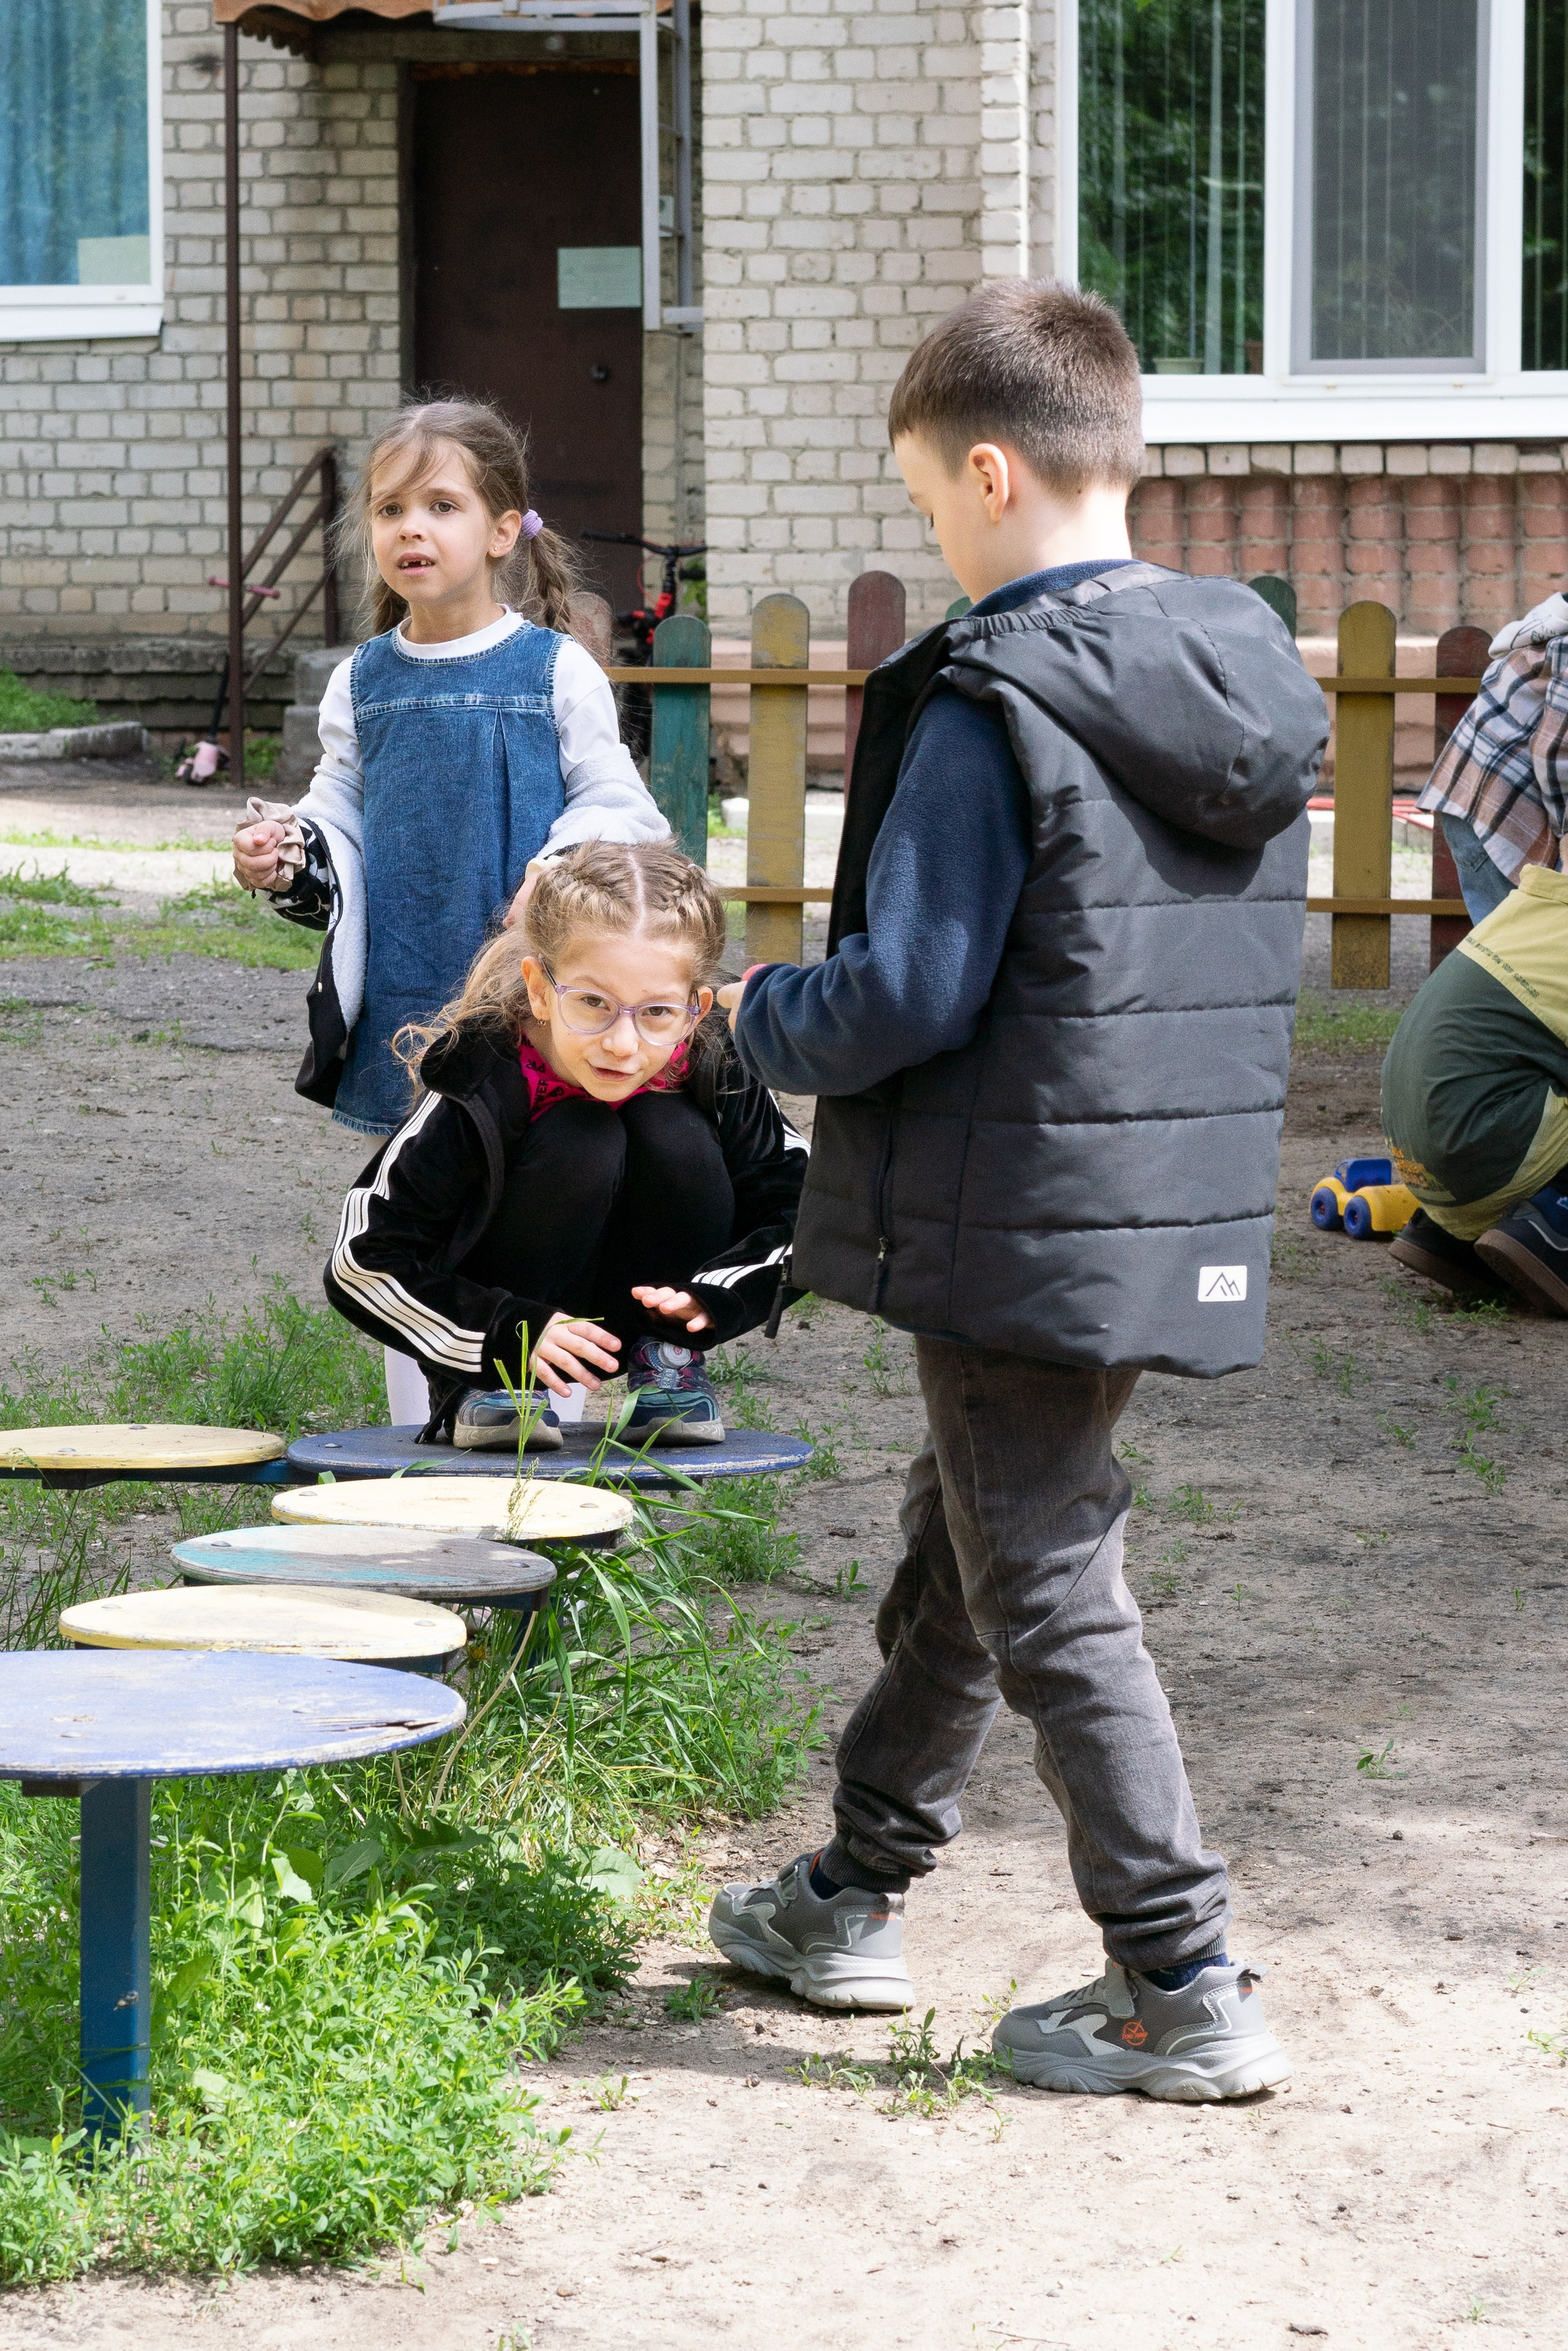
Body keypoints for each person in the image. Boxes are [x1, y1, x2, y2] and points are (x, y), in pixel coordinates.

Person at [705, 281, 1327, 2103]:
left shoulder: (996, 700)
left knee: (1041, 1575)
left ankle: (1181, 1977)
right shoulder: (1229, 678)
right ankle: (851, 1885)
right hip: (1137, 1211)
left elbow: (908, 992)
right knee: (972, 1538)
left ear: (987, 474)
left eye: (918, 501)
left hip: (1010, 1218)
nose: (926, 535)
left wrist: (753, 1013)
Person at [230, 396, 668, 1423]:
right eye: (389, 510)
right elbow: (337, 816)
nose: (411, 529)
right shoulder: (362, 682)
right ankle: (422, 1429)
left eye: (442, 505)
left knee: (544, 1194)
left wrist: (557, 866)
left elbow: (621, 805)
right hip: (413, 999)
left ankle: (544, 1412)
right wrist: (289, 850)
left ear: (506, 529)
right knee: (422, 1212)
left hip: (529, 1001)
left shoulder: (553, 668)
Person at [322, 840, 808, 1452]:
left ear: (694, 1010)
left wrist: (719, 1296)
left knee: (672, 1131)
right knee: (583, 1136)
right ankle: (499, 1386)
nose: (622, 1043)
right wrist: (502, 1333)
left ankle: (666, 1363)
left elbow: (808, 1208)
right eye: (593, 1004)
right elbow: (361, 1260)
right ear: (541, 990)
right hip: (507, 1324)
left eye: (656, 1012)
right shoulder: (482, 1074)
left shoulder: (716, 1063)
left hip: (644, 1300)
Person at [1384, 865, 1568, 1315]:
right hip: (1479, 1155)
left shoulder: (1529, 915)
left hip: (1422, 1158)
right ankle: (1552, 1229)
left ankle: (1450, 1238)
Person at [1418, 592, 1568, 923]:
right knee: (1522, 955)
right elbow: (1558, 754)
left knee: (1511, 951)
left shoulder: (1550, 628)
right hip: (1499, 815)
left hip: (1476, 801)